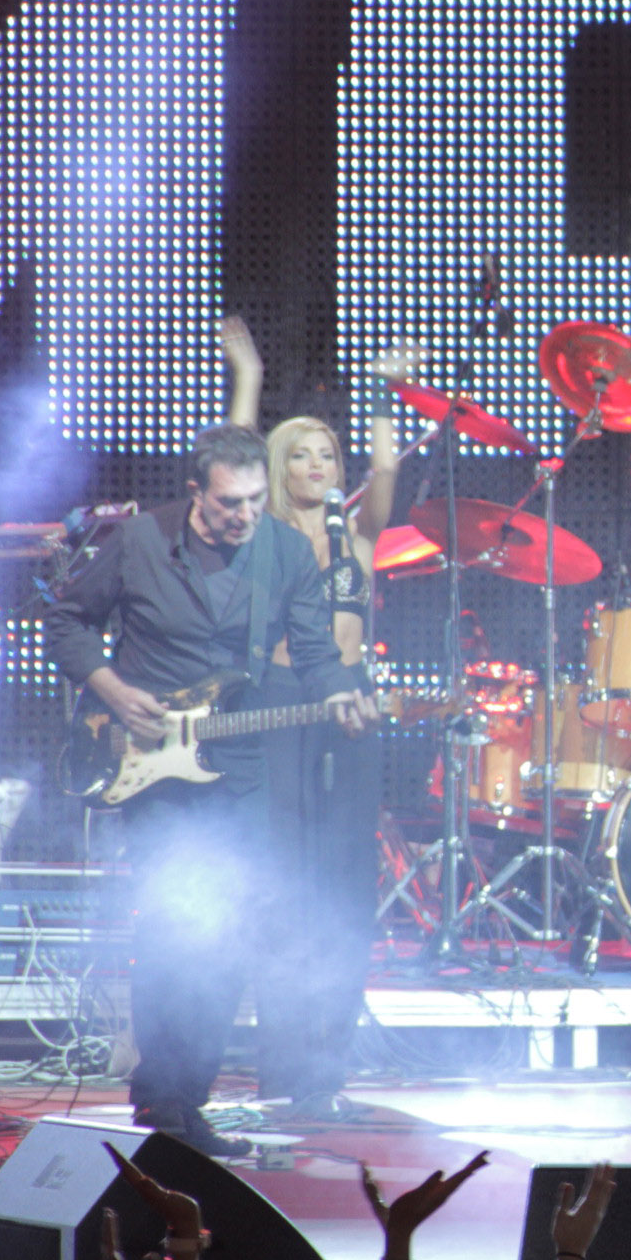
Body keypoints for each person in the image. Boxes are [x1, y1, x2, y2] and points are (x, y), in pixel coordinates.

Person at [41, 423, 372, 1157]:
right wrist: (112, 689)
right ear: (197, 492)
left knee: (227, 930)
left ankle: (186, 1100)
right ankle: (163, 1100)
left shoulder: (286, 552)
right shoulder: (139, 541)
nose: (244, 515)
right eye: (229, 503)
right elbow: (66, 619)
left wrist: (338, 693)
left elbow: (315, 651)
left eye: (255, 500)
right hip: (150, 759)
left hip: (238, 764)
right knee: (174, 923)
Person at [220, 317, 414, 1121]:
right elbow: (232, 457)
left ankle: (327, 1068)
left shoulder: (356, 535)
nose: (316, 466)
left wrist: (383, 391)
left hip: (351, 710)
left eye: (327, 455)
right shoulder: (260, 534)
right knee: (282, 884)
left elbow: (387, 467)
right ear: (277, 466)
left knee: (343, 883)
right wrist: (249, 378)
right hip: (277, 705)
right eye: (299, 454)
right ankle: (281, 1062)